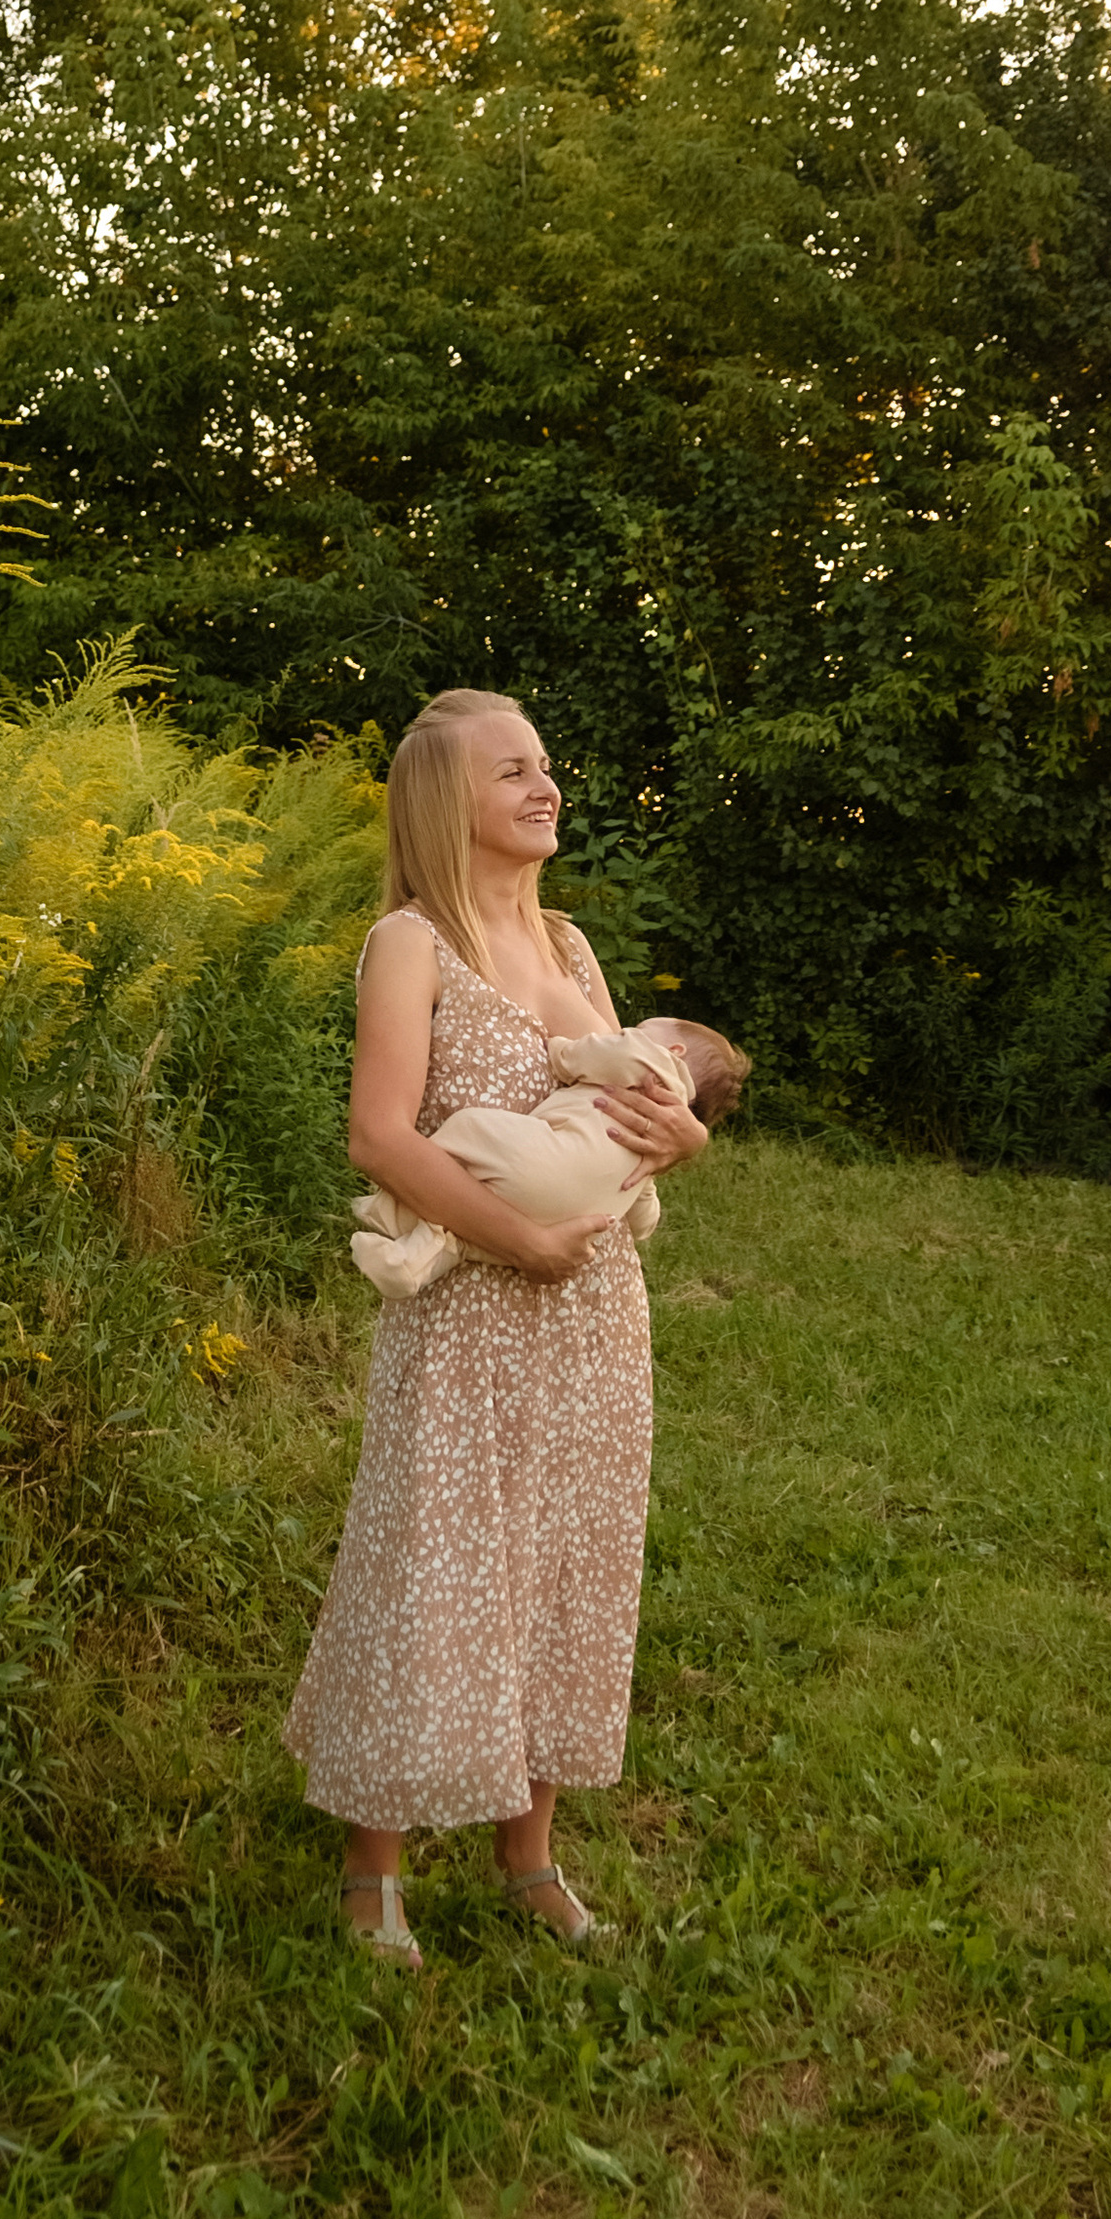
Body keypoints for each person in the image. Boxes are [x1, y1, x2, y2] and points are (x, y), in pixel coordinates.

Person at [282, 689, 716, 1968]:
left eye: (546, 766)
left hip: (594, 1317)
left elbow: (626, 1116)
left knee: (569, 1568)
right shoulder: (408, 943)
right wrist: (510, 1238)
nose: (545, 789)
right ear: (443, 802)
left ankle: (529, 1855)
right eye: (512, 772)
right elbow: (377, 1135)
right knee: (432, 1569)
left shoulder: (575, 948)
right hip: (468, 1312)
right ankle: (373, 1872)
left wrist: (684, 1141)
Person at [348, 1010, 751, 1296]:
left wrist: (561, 1052)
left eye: (640, 1028)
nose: (627, 1031)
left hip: (542, 1158)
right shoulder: (657, 1137)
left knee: (469, 1129)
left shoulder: (653, 1063)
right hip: (571, 1217)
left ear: (675, 1051)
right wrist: (642, 1210)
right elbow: (644, 1217)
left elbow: (604, 1052)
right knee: (471, 1239)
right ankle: (416, 1260)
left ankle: (393, 1204)